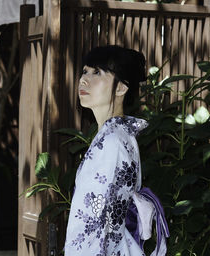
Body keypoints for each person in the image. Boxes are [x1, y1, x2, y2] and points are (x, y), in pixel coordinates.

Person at [65, 46, 169, 256]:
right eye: (84, 71)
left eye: (97, 73)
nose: (84, 80)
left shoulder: (112, 141)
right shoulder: (115, 136)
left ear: (121, 88)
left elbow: (100, 221)